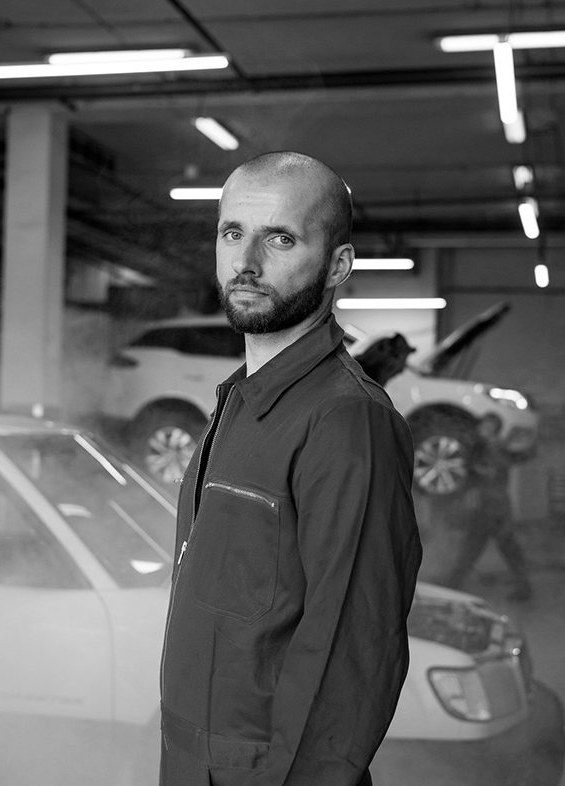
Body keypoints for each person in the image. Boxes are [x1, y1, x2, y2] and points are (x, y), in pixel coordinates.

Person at [159, 151, 422, 786]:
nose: (246, 263)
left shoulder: (346, 420)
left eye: (280, 239)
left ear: (338, 265)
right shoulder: (238, 400)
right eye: (232, 233)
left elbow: (353, 653)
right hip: (193, 762)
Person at [446, 413, 532, 600]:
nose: (480, 430)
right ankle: (453, 582)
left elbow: (490, 472)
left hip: (495, 507)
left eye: (485, 426)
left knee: (501, 547)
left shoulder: (496, 448)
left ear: (493, 428)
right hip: (487, 505)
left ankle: (524, 588)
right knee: (475, 546)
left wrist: (470, 467)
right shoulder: (485, 448)